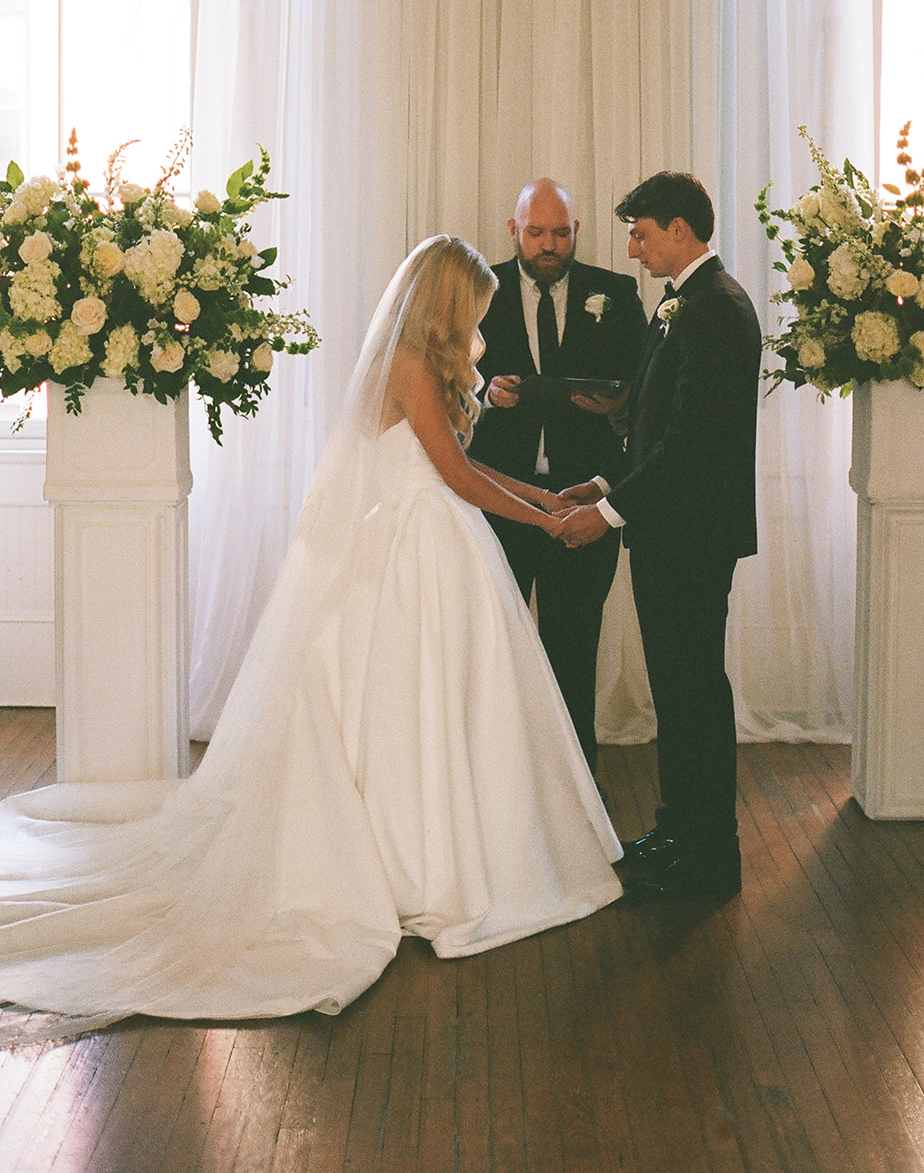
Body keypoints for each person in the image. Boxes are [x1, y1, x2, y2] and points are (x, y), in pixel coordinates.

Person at [0, 237, 621, 1043]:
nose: (482, 326)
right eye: (475, 309)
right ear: (448, 302)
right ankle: (419, 862)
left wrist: (549, 496)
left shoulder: (418, 363)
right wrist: (549, 520)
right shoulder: (406, 363)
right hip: (415, 550)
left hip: (434, 538)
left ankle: (450, 847)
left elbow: (458, 474)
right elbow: (456, 477)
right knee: (412, 706)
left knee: (444, 704)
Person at [557, 174, 760, 901]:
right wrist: (606, 484)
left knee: (693, 693)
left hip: (693, 537)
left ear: (680, 230)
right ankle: (678, 829)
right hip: (669, 532)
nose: (633, 248)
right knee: (675, 692)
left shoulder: (714, 308)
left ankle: (709, 856)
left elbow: (689, 442)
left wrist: (607, 516)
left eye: (641, 233)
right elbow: (650, 425)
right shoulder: (683, 304)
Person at [468, 179, 646, 772]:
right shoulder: (477, 290)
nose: (549, 245)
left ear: (577, 233)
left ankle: (577, 795)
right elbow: (443, 381)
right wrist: (485, 393)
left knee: (574, 652)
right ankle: (499, 780)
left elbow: (642, 395)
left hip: (583, 503)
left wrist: (616, 406)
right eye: (537, 232)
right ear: (513, 230)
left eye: (561, 233)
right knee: (496, 652)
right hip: (497, 499)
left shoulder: (615, 293)